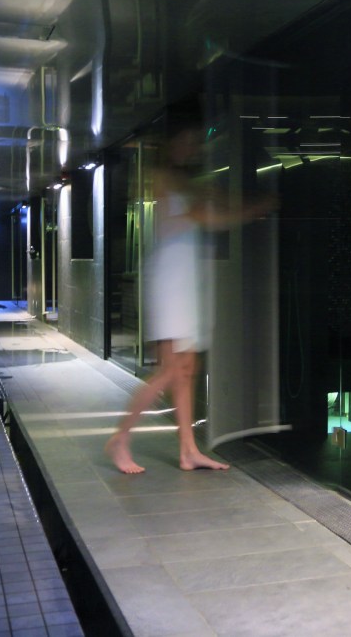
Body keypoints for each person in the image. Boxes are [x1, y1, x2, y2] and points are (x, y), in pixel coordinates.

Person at [106, 121, 277, 474]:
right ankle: (120, 437)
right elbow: (206, 217)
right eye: (187, 139)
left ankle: (188, 450)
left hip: (186, 277)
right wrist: (256, 208)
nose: (193, 147)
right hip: (169, 278)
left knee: (188, 369)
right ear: (171, 143)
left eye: (196, 141)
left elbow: (212, 208)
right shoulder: (162, 176)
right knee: (170, 370)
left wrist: (243, 205)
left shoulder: (191, 181)